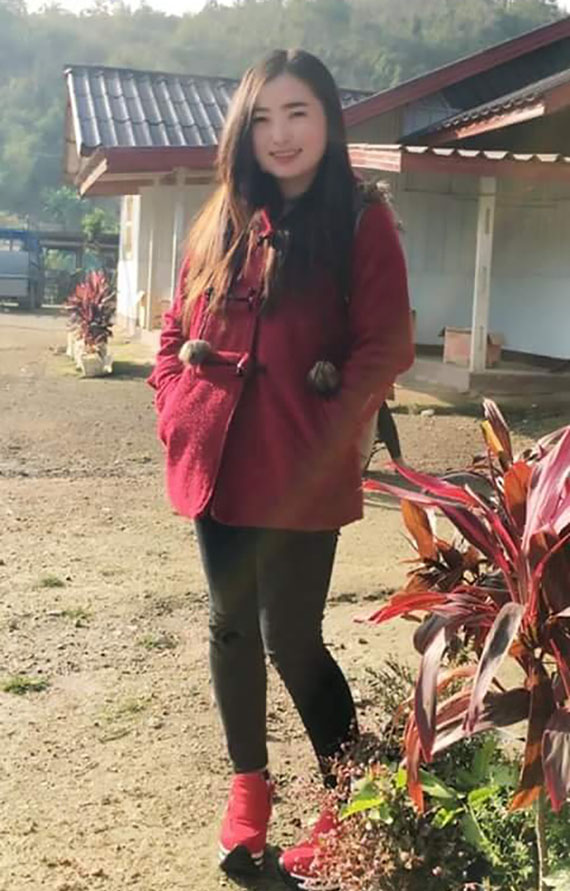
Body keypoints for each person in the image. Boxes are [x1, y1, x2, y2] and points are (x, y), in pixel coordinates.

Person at [148, 48, 414, 890]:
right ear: (244, 131)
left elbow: (385, 344)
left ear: (328, 119)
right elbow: (173, 328)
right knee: (229, 625)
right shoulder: (221, 217)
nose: (281, 134)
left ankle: (351, 800)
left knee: (291, 637)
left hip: (302, 464)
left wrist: (332, 431)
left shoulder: (361, 220)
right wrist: (173, 401)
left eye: (298, 113)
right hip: (216, 456)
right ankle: (248, 797)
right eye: (263, 118)